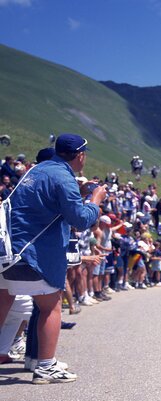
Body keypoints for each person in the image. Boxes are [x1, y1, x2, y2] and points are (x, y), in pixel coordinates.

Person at [0, 134, 106, 384]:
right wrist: (94, 201)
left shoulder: (36, 170)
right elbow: (80, 219)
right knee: (50, 308)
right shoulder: (63, 177)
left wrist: (77, 191)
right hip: (34, 252)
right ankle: (45, 366)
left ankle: (39, 361)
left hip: (8, 249)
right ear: (80, 156)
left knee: (3, 302)